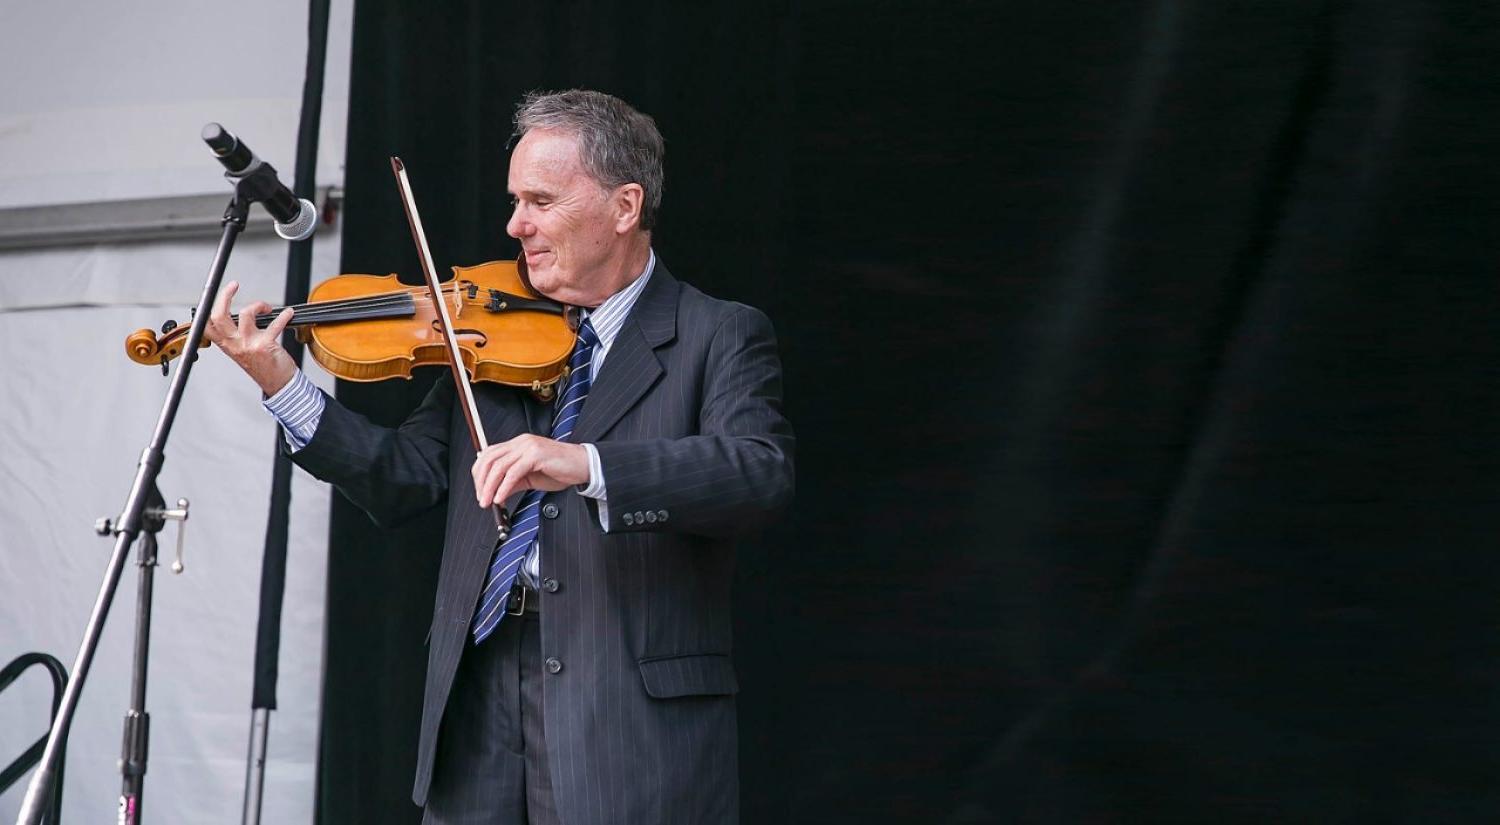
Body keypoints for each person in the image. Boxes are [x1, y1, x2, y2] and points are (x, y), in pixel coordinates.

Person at [205, 89, 794, 825]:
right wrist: (283, 384)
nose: (516, 225)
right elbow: (404, 480)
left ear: (624, 206)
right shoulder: (486, 334)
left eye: (541, 201)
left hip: (628, 715)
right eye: (516, 200)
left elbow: (757, 472)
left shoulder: (718, 334)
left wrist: (587, 464)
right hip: (478, 690)